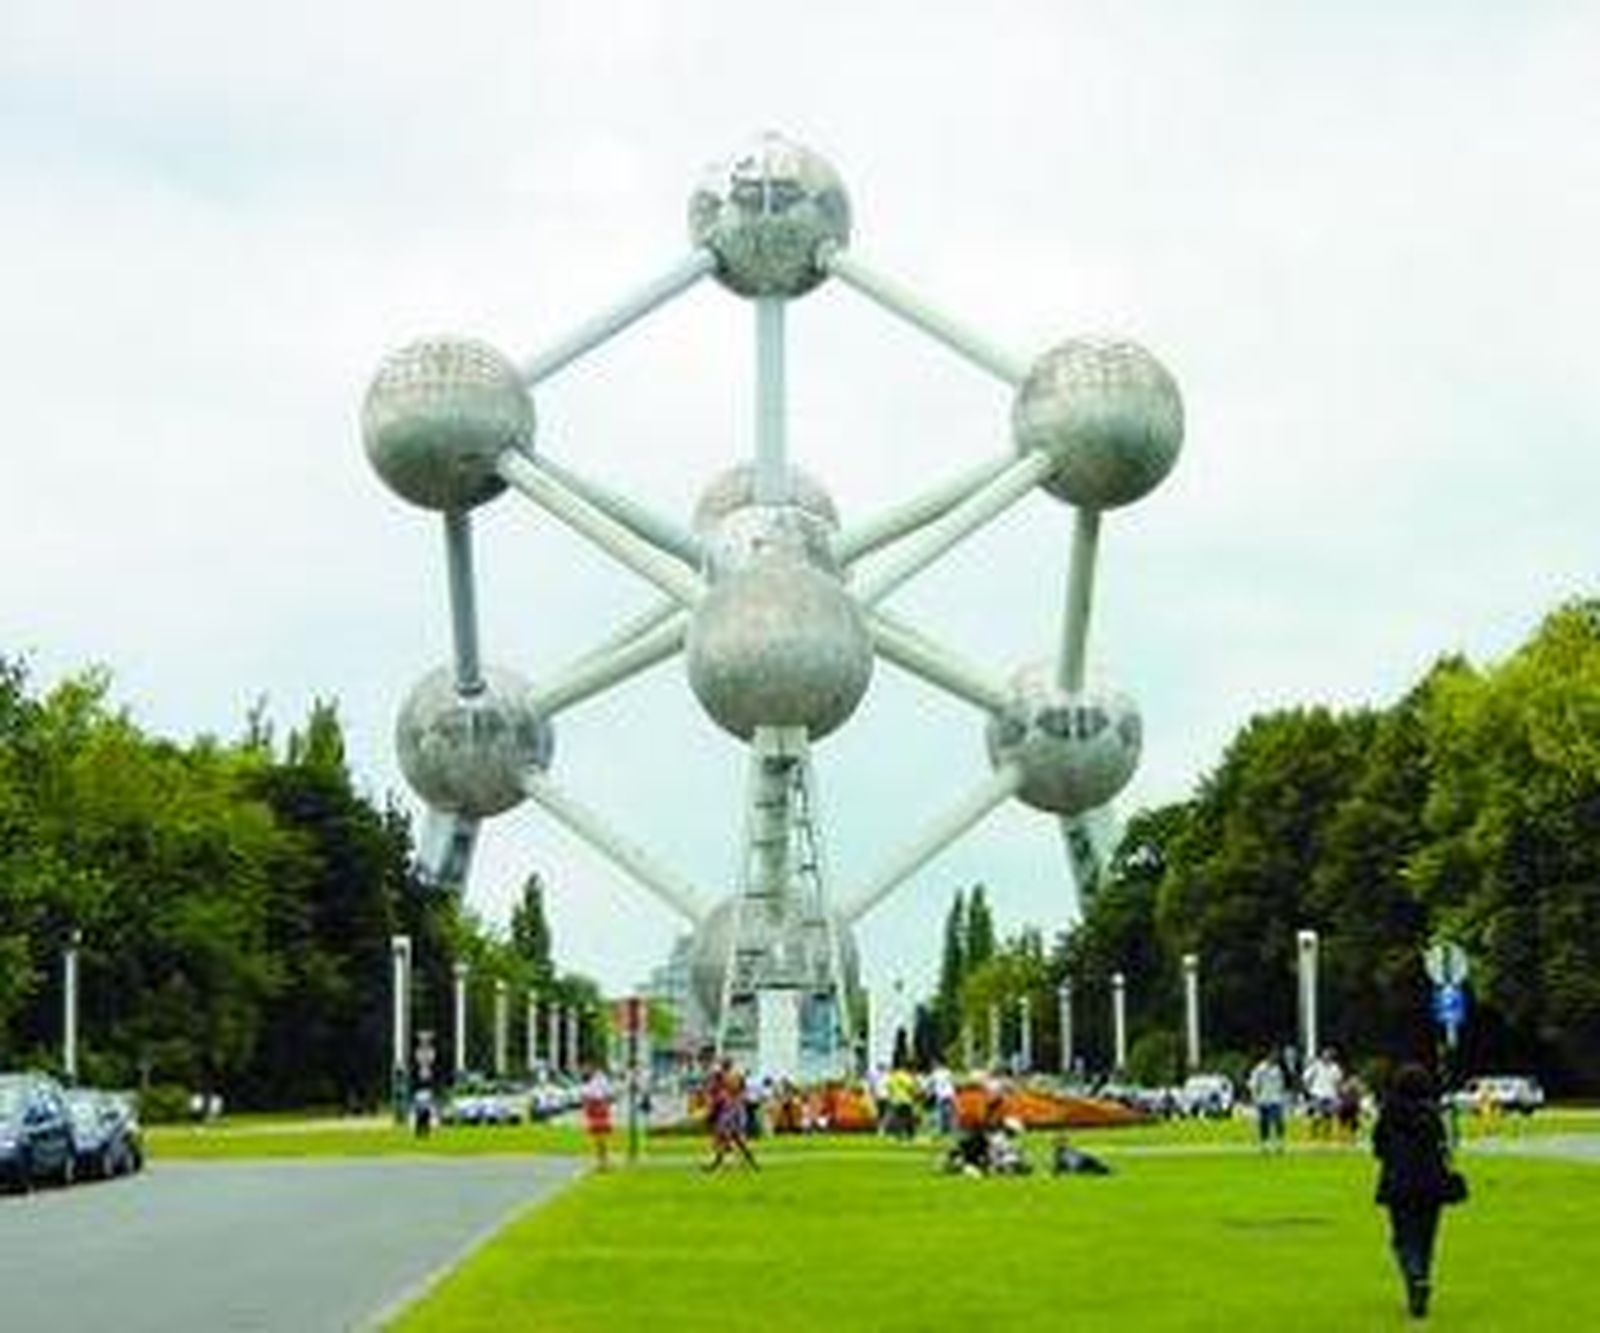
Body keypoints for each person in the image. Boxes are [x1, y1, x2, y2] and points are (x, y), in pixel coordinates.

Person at [1373, 1063, 1457, 1319]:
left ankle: (1414, 1277)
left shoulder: (1389, 1113)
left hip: (1398, 1182)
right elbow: (1445, 1146)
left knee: (1403, 1238)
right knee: (1426, 1238)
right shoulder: (1432, 1113)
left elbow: (1378, 1147)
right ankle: (1422, 1280)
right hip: (1431, 1182)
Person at [704, 1061, 758, 1171]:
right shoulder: (733, 1077)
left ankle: (715, 1164)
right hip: (733, 1110)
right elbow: (741, 1088)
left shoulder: (724, 1078)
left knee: (725, 1137)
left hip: (729, 1112)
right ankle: (753, 1164)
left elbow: (716, 1092)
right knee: (735, 1140)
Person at [1248, 1050, 1288, 1152]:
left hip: (1276, 1099)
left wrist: (1281, 1095)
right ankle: (1265, 1143)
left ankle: (1279, 1143)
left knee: (1278, 1121)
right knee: (1264, 1122)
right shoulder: (1260, 1069)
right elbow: (1253, 1083)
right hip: (1263, 1099)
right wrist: (1254, 1096)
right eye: (1273, 1057)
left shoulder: (1277, 1069)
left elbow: (1281, 1083)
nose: (1274, 1059)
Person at [1304, 1048, 1344, 1141]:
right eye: (1325, 1056)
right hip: (1317, 1093)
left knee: (1329, 1116)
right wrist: (1308, 1089)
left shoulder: (1335, 1068)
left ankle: (1326, 1135)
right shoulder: (1316, 1066)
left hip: (1330, 1094)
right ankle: (1314, 1134)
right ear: (1322, 1057)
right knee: (1316, 1116)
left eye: (1329, 1056)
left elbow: (1338, 1081)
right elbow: (1306, 1077)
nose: (1326, 1058)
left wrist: (1338, 1093)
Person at [579, 1066, 613, 1170]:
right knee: (596, 1137)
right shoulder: (586, 1084)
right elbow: (584, 1099)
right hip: (593, 1109)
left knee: (601, 1137)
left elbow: (607, 1095)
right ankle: (601, 1161)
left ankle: (604, 1161)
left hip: (599, 1108)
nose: (586, 1071)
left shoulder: (599, 1080)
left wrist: (604, 1104)